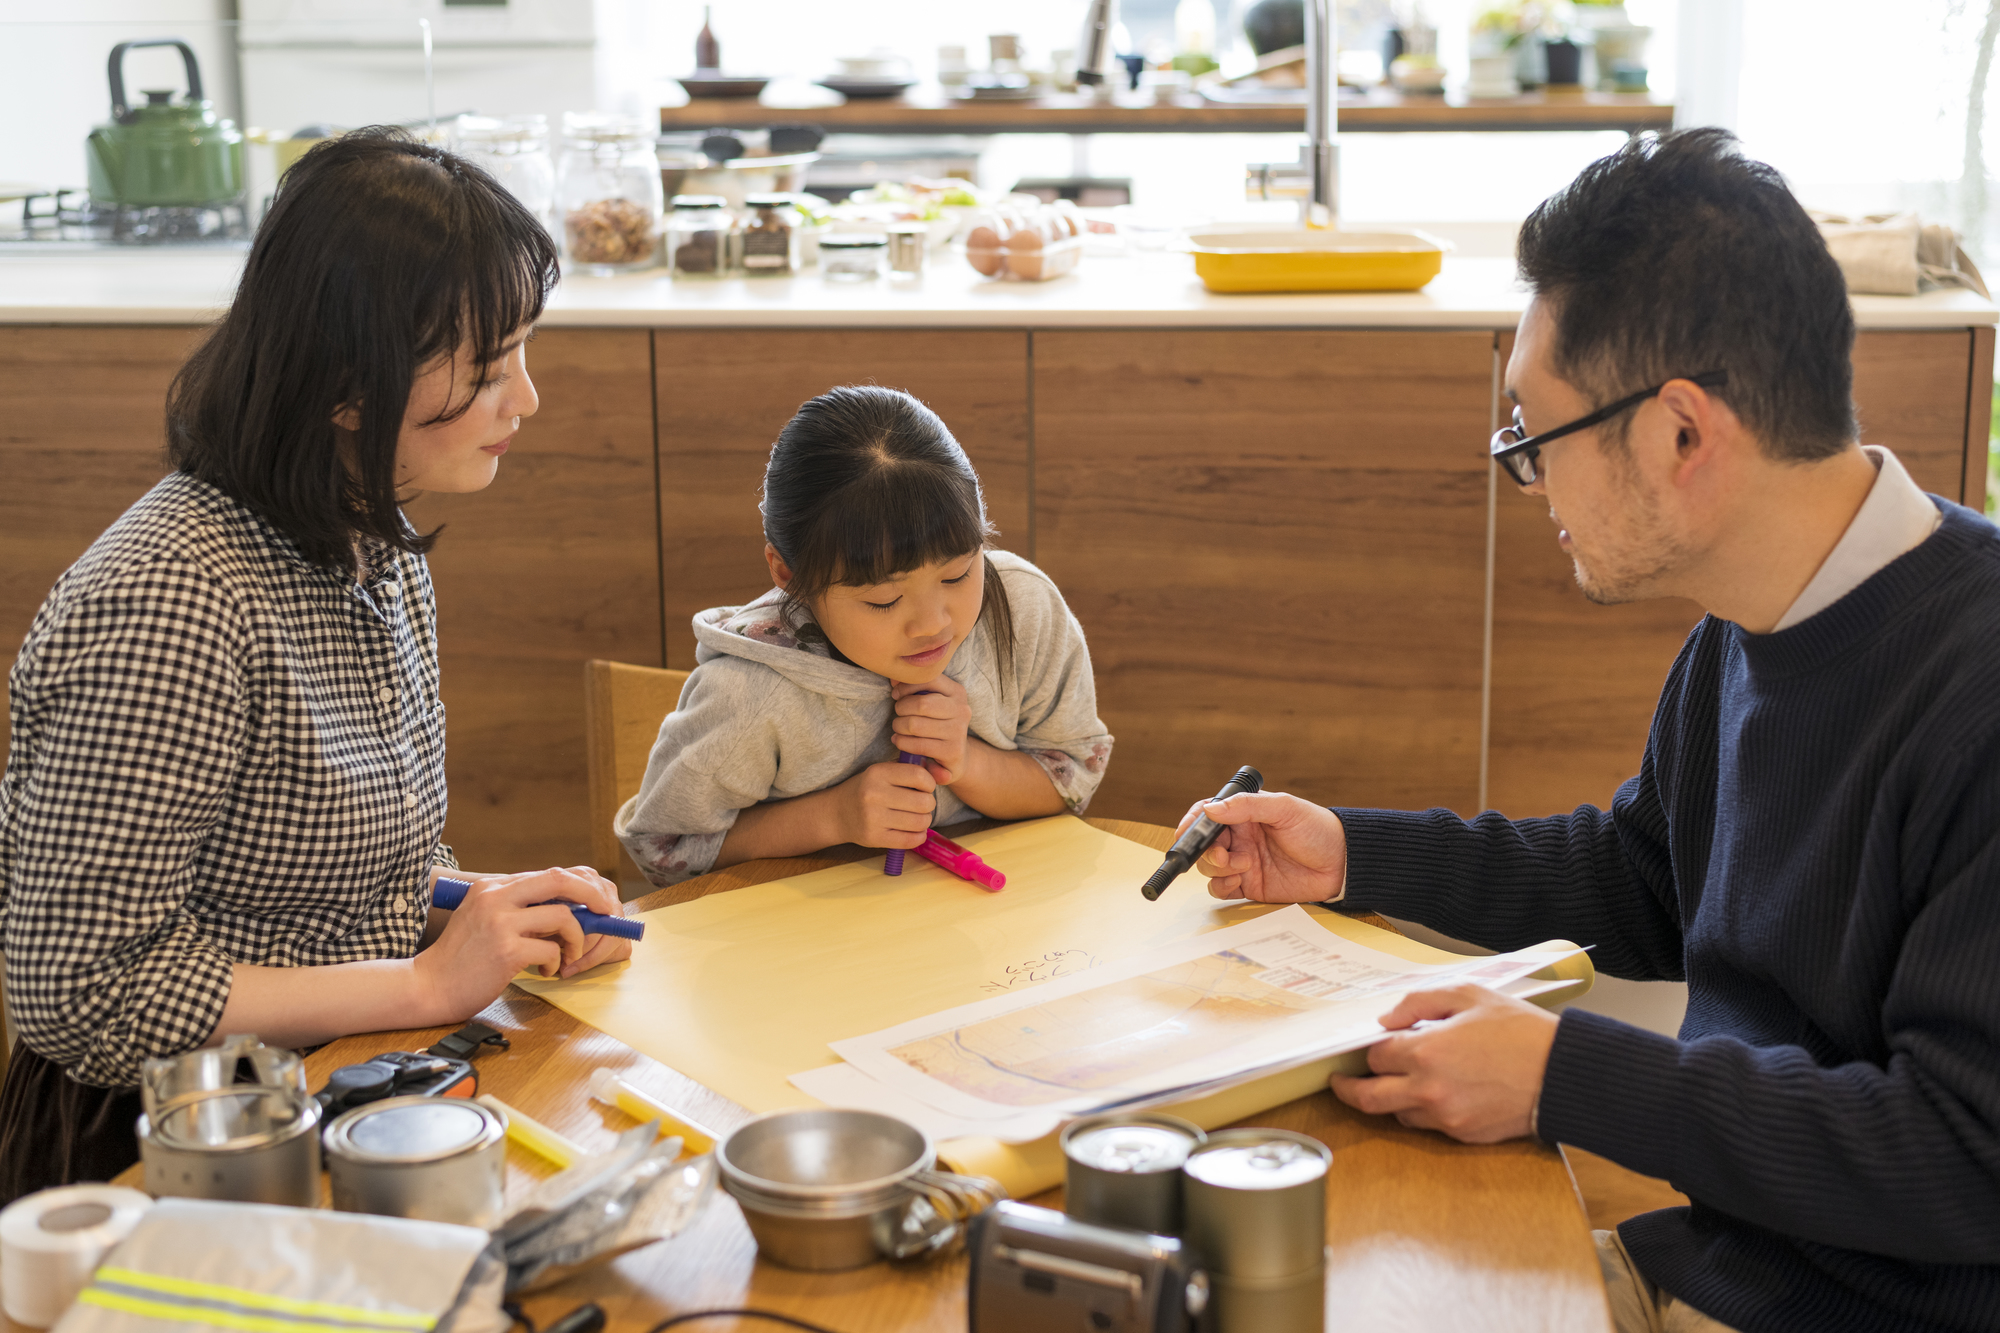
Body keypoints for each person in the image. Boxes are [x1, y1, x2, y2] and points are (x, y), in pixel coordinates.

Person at [1181, 129, 2000, 1333]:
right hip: (1724, 1259)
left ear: (1680, 433)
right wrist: (1352, 854)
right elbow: (1644, 878)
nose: (1528, 483)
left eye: (1534, 436)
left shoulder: (1973, 684)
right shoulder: (1757, 618)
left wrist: (1569, 1077)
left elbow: (1962, 1156)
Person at [0, 129, 630, 1203]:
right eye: (484, 369)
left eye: (521, 351)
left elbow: (331, 875)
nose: (524, 400)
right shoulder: (169, 602)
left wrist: (476, 902)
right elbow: (83, 992)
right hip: (170, 1144)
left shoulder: (366, 537)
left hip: (344, 1079)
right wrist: (430, 977)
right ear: (345, 390)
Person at [616, 385, 1112, 886]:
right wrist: (832, 816)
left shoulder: (1023, 609)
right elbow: (662, 852)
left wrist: (965, 761)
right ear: (789, 574)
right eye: (883, 601)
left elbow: (1073, 778)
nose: (933, 624)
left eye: (958, 573)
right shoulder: (749, 695)